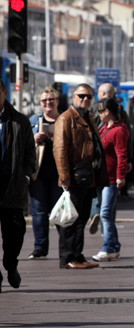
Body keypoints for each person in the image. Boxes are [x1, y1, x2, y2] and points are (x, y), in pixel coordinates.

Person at [53, 84, 108, 269]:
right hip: (74, 176)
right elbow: (59, 150)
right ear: (74, 97)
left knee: (82, 218)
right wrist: (65, 177)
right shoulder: (66, 118)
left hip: (87, 175)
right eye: (82, 96)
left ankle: (78, 255)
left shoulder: (88, 118)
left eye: (89, 97)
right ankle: (68, 257)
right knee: (70, 219)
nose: (85, 99)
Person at [0, 79, 36, 291]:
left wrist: (27, 176)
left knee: (14, 235)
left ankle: (10, 265)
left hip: (13, 187)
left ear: (4, 92)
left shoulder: (20, 122)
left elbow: (30, 153)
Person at [92, 98, 129, 262]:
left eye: (100, 111)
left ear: (107, 112)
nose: (98, 114)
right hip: (102, 177)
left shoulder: (118, 131)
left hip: (111, 179)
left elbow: (122, 154)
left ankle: (108, 247)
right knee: (106, 214)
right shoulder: (104, 129)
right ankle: (113, 246)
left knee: (105, 214)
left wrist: (121, 176)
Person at [28, 87, 63, 260]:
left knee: (60, 212)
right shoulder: (34, 120)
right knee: (39, 212)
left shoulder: (64, 119)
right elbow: (23, 143)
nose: (48, 103)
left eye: (51, 100)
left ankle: (65, 247)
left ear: (57, 101)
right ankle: (40, 247)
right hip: (38, 173)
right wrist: (33, 138)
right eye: (44, 101)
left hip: (59, 173)